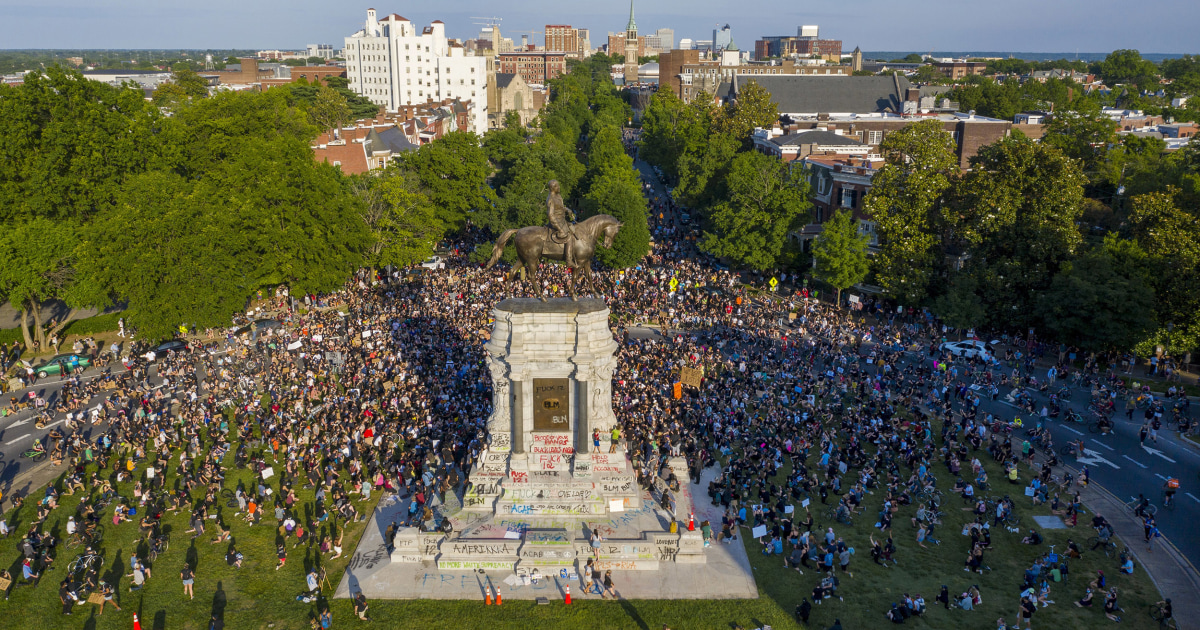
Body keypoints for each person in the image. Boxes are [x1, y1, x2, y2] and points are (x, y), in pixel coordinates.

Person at [547, 179, 578, 268]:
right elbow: (550, 215)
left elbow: (560, 208)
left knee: (573, 228)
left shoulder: (558, 196)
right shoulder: (551, 199)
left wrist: (567, 210)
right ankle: (568, 260)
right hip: (556, 222)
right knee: (569, 237)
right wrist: (559, 228)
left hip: (562, 220)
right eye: (557, 186)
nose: (559, 187)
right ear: (553, 188)